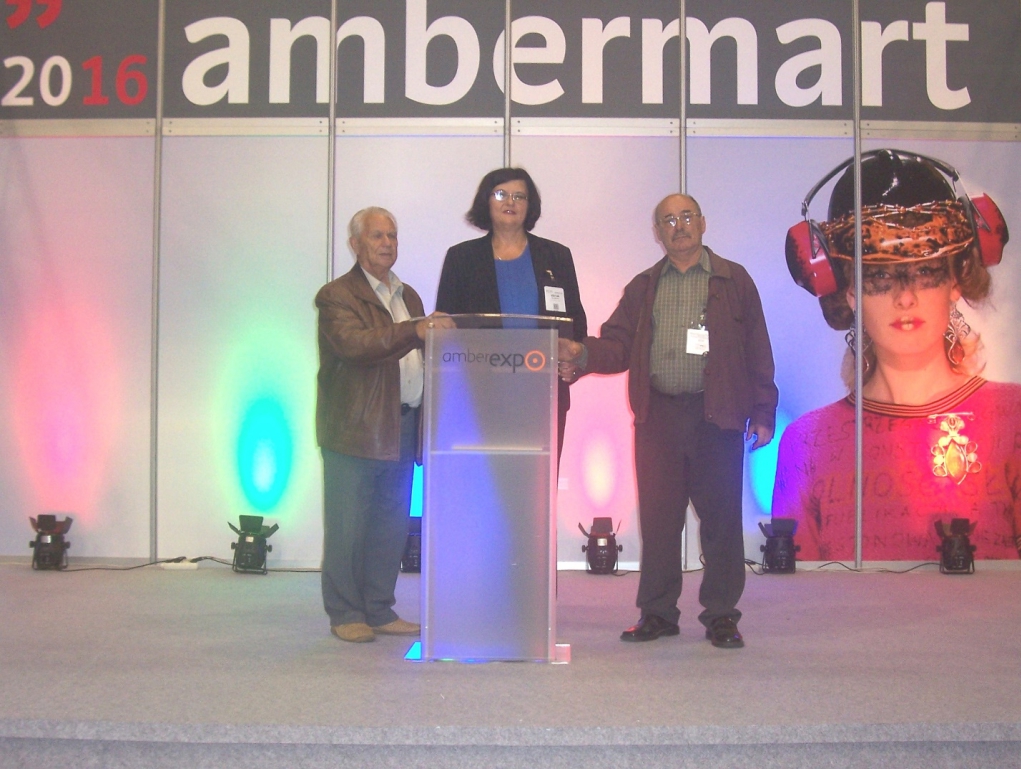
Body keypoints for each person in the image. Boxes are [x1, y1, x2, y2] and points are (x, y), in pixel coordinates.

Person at [773, 150, 1021, 561]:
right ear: (849, 291)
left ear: (955, 280)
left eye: (925, 269)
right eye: (880, 274)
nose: (905, 297)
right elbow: (798, 592)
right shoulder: (806, 444)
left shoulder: (1014, 419)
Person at [559, 194, 778, 648]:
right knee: (659, 521)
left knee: (720, 520)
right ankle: (658, 613)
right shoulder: (644, 286)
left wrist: (763, 410)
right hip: (657, 417)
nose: (679, 226)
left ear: (703, 222)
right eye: (668, 220)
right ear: (657, 232)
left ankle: (721, 615)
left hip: (716, 415)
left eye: (686, 217)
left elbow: (758, 347)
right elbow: (617, 345)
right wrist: (582, 354)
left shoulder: (734, 279)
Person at [316, 206, 452, 643]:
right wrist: (414, 330)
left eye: (392, 235)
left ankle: (378, 608)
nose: (387, 243)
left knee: (390, 525)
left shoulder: (407, 295)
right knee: (348, 527)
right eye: (377, 236)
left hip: (403, 425)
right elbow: (356, 345)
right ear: (355, 244)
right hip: (356, 428)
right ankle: (345, 612)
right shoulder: (337, 296)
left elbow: (422, 350)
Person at [435, 168, 587, 461]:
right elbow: (447, 329)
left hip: (544, 393)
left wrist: (574, 360)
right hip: (480, 395)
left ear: (530, 205)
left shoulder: (556, 256)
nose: (510, 202)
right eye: (501, 194)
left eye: (519, 196)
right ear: (486, 201)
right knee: (487, 479)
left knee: (538, 481)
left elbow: (576, 322)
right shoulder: (461, 258)